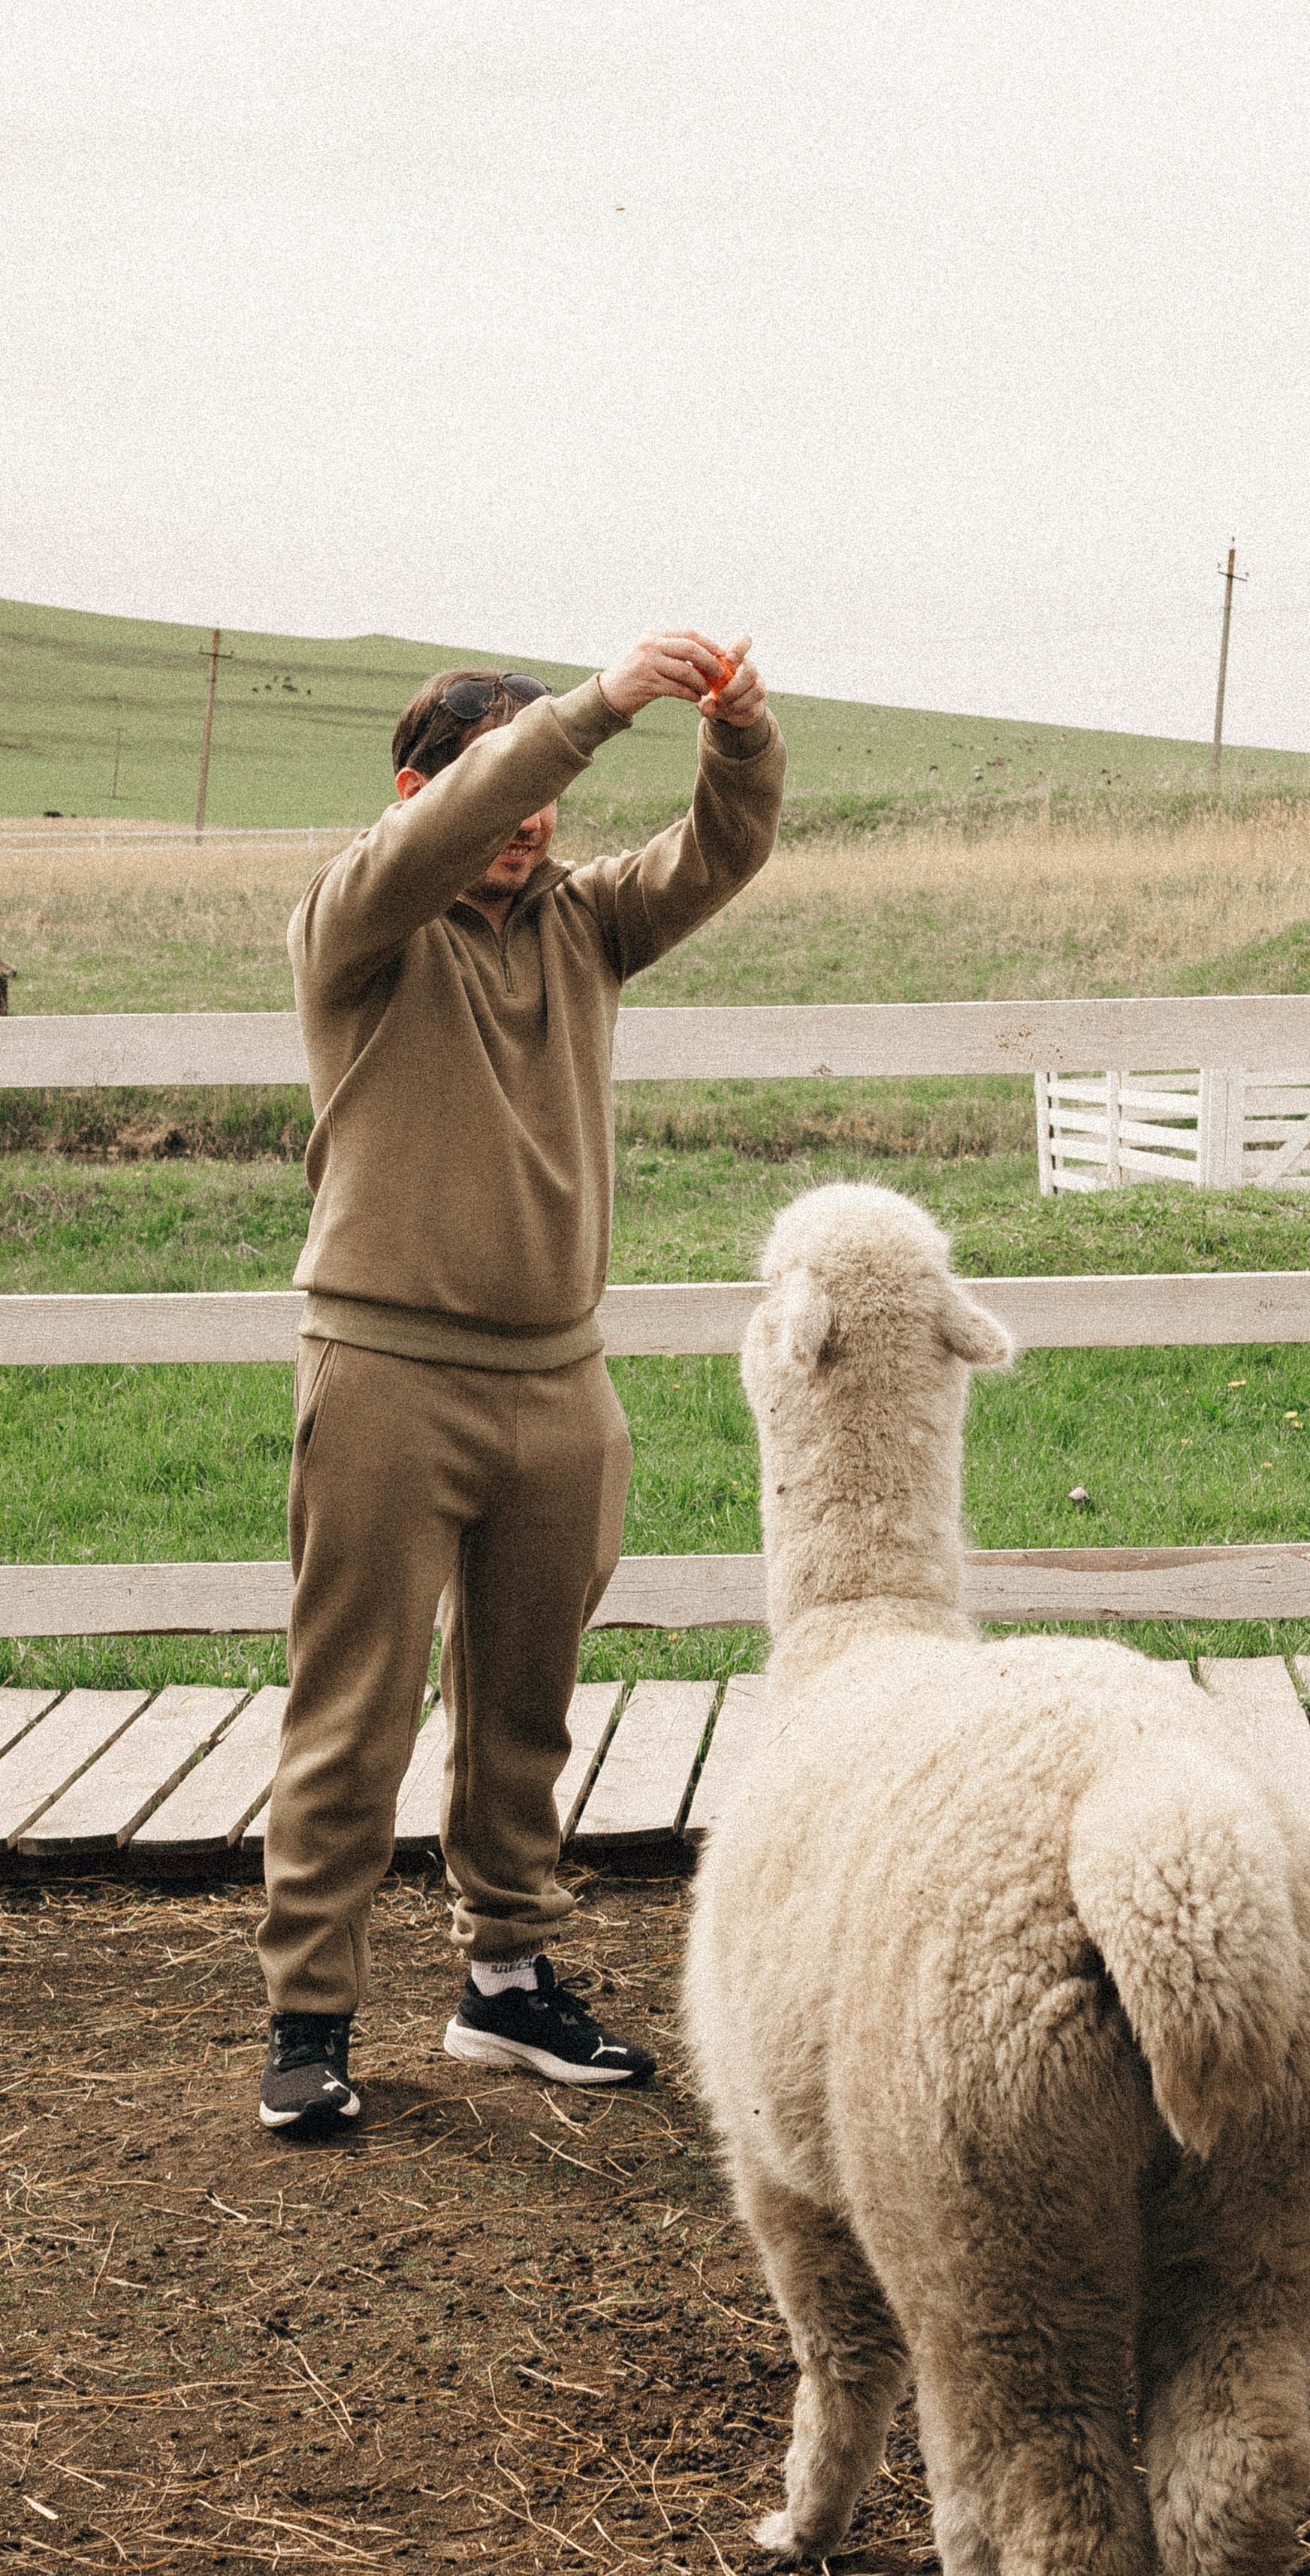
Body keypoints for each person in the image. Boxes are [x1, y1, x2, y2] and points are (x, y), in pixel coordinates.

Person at [255, 633, 784, 2131]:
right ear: (424, 793)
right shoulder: (359, 921)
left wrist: (735, 731)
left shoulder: (587, 925)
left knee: (526, 1713)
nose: (529, 829)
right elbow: (441, 834)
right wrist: (597, 707)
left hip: (559, 1385)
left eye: (545, 810)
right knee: (351, 1709)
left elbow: (726, 844)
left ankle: (506, 1984)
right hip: (385, 1378)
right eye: (501, 800)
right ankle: (309, 2015)